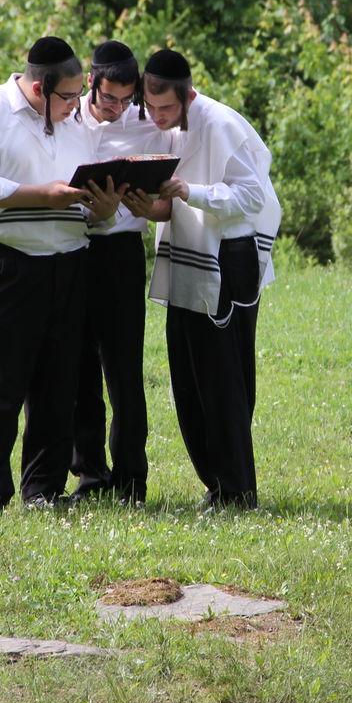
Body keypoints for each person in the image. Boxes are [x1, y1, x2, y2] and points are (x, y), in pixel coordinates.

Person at [0, 35, 123, 512]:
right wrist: (43, 195)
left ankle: (42, 490)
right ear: (39, 89)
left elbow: (92, 212)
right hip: (0, 262)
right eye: (68, 96)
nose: (76, 105)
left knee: (57, 385)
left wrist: (104, 208)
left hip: (68, 262)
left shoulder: (76, 124)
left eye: (80, 94)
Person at [126, 49, 281, 509]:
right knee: (188, 379)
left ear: (189, 94)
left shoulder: (221, 123)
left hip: (229, 260)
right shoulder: (171, 127)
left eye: (167, 108)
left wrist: (191, 191)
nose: (157, 117)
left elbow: (253, 196)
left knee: (223, 380)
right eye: (150, 108)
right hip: (186, 255)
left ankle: (238, 492)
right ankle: (216, 484)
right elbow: (175, 203)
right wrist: (149, 206)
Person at [70, 41, 176, 504]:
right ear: (92, 84)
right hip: (71, 251)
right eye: (109, 98)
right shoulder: (65, 118)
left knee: (124, 371)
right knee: (77, 371)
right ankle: (90, 476)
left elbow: (169, 194)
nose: (117, 109)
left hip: (120, 255)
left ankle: (132, 480)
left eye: (126, 100)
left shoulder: (145, 125)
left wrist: (150, 206)